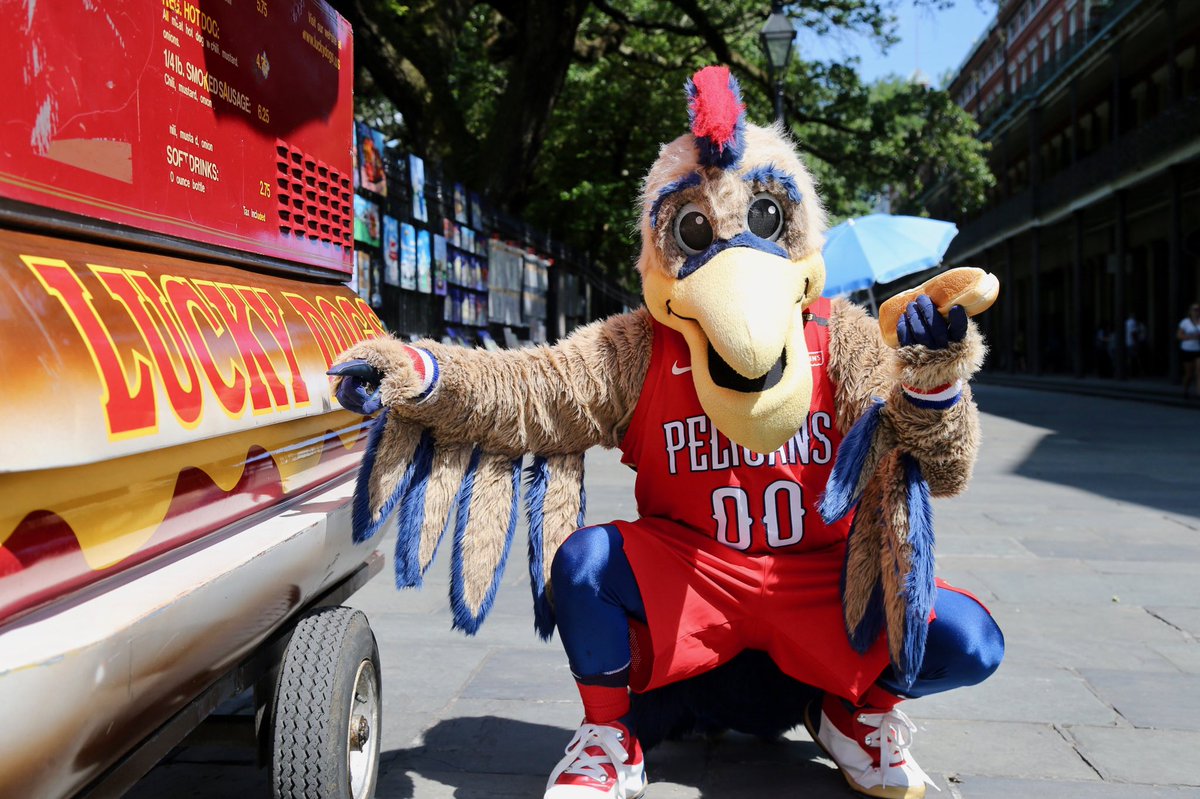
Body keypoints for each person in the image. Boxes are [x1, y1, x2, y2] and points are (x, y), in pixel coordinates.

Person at [1179, 302, 1200, 398]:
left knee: (1199, 371)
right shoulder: (1185, 322)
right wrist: (1190, 337)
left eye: (1198, 309)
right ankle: (1185, 390)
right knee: (1189, 374)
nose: (1197, 312)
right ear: (1190, 311)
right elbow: (1179, 335)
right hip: (1187, 349)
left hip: (1198, 349)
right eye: (1195, 310)